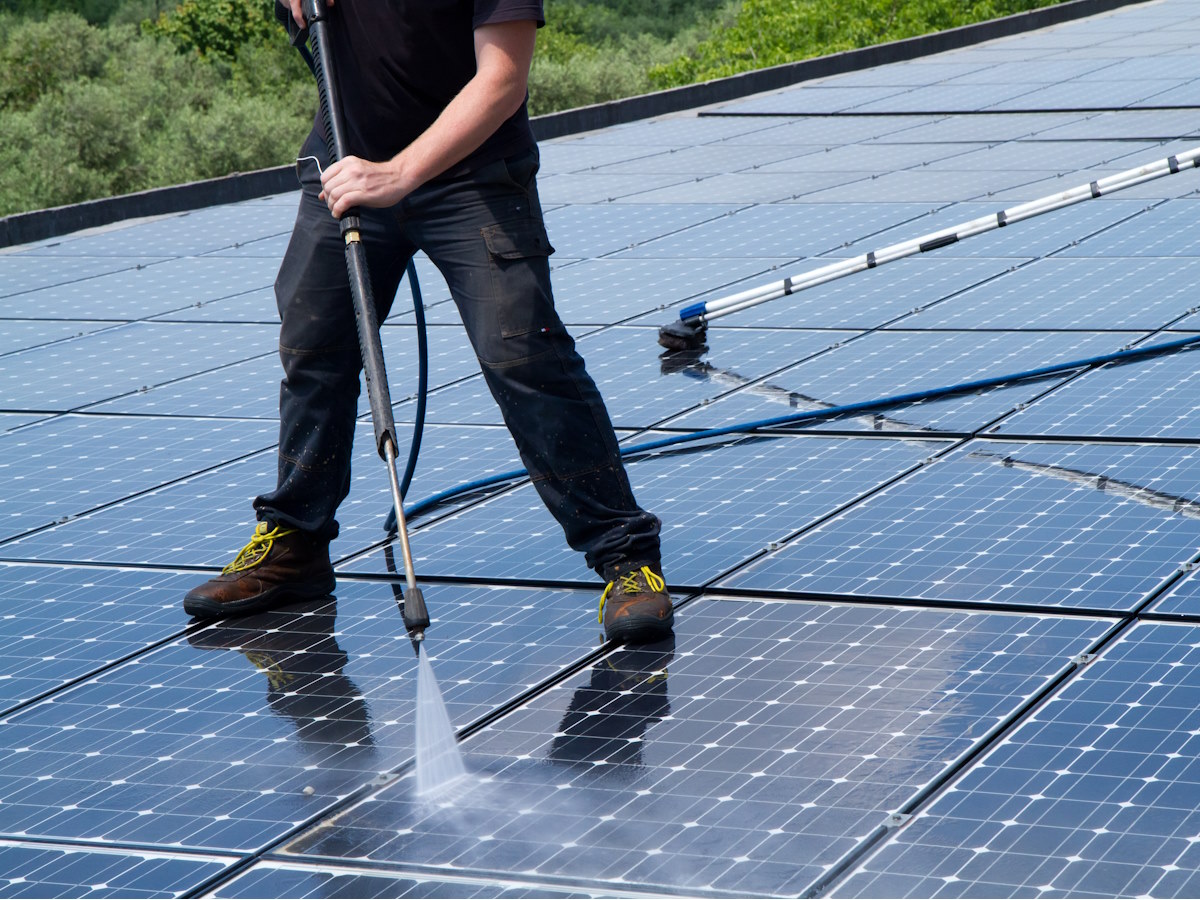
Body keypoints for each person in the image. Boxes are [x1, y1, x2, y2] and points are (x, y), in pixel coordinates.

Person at [182, 0, 672, 645]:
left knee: (524, 355)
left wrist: (400, 174)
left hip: (473, 177)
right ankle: (295, 544)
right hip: (346, 166)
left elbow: (502, 79)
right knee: (314, 348)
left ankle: (625, 556)